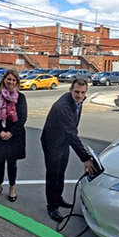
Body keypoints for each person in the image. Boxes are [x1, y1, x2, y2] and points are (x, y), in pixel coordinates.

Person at [41, 78, 96, 222]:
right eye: (76, 92)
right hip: (52, 143)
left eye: (82, 92)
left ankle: (58, 199)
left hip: (63, 141)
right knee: (53, 175)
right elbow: (72, 134)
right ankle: (52, 206)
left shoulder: (78, 101)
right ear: (70, 90)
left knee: (61, 173)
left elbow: (71, 131)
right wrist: (85, 158)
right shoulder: (63, 107)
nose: (79, 95)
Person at [0, 69, 27, 202]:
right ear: (4, 80)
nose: (11, 82)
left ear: (17, 83)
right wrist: (0, 132)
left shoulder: (20, 98)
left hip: (14, 136)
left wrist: (10, 132)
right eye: (9, 79)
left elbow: (22, 118)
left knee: (12, 164)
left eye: (14, 80)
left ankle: (12, 187)